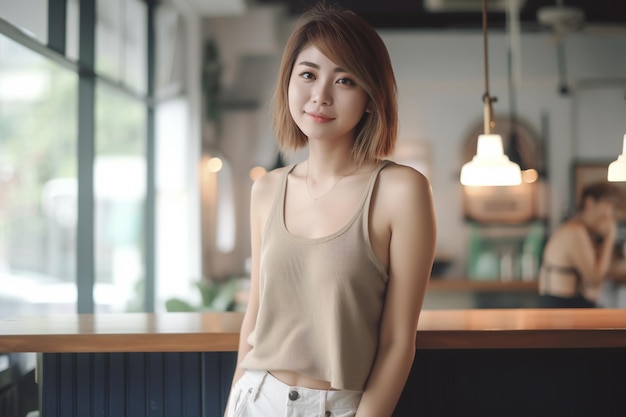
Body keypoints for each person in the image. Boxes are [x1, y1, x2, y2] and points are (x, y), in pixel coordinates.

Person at [224, 4, 436, 417]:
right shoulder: (266, 189)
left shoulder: (401, 191)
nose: (320, 95)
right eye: (308, 74)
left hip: (337, 407)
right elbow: (255, 315)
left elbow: (397, 341)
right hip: (255, 398)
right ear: (288, 82)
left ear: (371, 97)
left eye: (344, 80)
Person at [538, 181, 623, 308]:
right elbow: (595, 280)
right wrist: (609, 238)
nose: (613, 215)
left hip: (566, 305)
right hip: (562, 308)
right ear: (590, 203)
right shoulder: (575, 232)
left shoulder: (579, 231)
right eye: (611, 206)